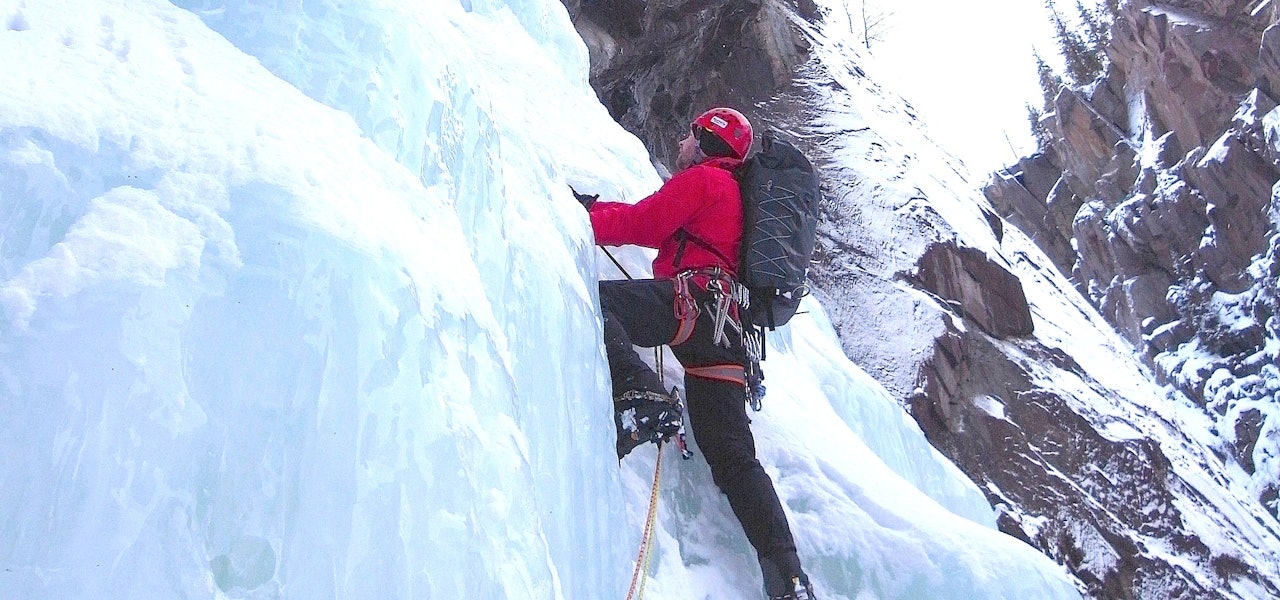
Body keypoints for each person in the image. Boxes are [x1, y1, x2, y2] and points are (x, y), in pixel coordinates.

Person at [575, 107, 816, 600]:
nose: (683, 143)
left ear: (708, 141)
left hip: (694, 306)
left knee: (593, 303)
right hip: (729, 335)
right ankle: (788, 576)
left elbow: (642, 223)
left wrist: (579, 215)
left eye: (691, 135)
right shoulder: (740, 203)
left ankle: (638, 394)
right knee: (734, 460)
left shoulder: (707, 181)